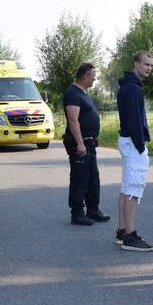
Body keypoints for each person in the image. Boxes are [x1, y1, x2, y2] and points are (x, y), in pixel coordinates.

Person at [116, 51, 153, 251]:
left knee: (126, 187)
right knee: (133, 188)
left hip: (128, 141)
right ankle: (130, 236)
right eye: (146, 64)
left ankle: (122, 231)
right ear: (136, 63)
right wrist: (141, 145)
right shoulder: (132, 88)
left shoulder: (130, 86)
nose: (149, 68)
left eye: (151, 65)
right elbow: (133, 121)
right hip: (133, 142)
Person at [63, 63, 110, 226]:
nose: (95, 78)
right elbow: (73, 120)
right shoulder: (73, 94)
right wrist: (80, 143)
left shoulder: (83, 93)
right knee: (79, 179)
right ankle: (77, 213)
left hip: (89, 143)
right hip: (80, 143)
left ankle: (93, 210)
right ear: (85, 76)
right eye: (93, 76)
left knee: (92, 178)